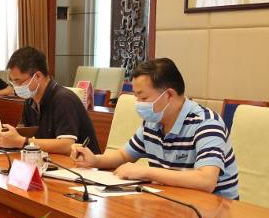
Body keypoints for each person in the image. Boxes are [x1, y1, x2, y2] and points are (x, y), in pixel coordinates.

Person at [71, 58, 239, 198]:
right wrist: (95, 160)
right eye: (136, 97)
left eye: (143, 98)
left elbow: (206, 181)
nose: (138, 104)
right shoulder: (153, 122)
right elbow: (123, 155)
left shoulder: (206, 123)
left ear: (169, 95)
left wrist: (145, 172)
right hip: (173, 202)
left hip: (214, 212)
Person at [0, 46, 99, 155]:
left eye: (18, 81)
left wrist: (23, 142)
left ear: (38, 76)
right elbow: (20, 134)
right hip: (51, 163)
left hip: (85, 167)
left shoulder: (63, 99)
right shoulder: (30, 101)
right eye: (12, 82)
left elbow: (67, 145)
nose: (15, 87)